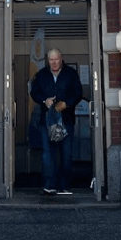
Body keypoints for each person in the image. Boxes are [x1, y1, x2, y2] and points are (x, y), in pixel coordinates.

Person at [29, 47, 83, 195]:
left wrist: (67, 103)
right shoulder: (41, 75)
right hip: (46, 121)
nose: (54, 62)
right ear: (48, 60)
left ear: (61, 58)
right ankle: (49, 185)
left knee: (66, 154)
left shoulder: (71, 74)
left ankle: (64, 186)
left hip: (66, 120)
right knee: (48, 154)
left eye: (56, 59)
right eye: (51, 60)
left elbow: (78, 92)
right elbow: (34, 92)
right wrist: (44, 100)